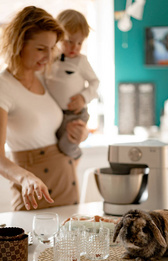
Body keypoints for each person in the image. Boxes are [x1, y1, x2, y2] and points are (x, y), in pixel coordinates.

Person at [0, 6, 88, 211]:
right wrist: (26, 178)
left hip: (67, 183)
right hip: (34, 191)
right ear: (19, 44)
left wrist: (80, 134)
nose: (49, 57)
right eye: (41, 49)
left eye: (52, 48)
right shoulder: (4, 86)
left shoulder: (44, 77)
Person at [45, 9, 99, 160]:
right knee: (54, 148)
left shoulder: (81, 61)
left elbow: (95, 82)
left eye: (79, 43)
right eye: (69, 41)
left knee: (67, 147)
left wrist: (84, 97)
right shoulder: (51, 59)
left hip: (75, 114)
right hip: (56, 115)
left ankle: (76, 158)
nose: (74, 47)